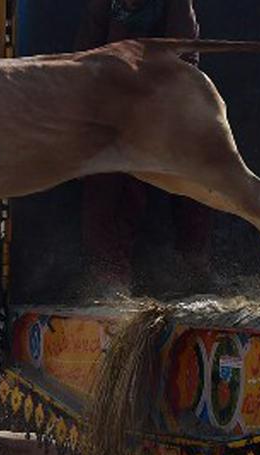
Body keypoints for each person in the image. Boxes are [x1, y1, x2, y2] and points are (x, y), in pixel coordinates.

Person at [76, 0, 212, 293]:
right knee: (104, 193)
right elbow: (83, 62)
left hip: (165, 105)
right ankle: (110, 281)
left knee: (196, 187)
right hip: (113, 111)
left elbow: (185, 59)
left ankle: (194, 267)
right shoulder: (102, 6)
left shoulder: (175, 5)